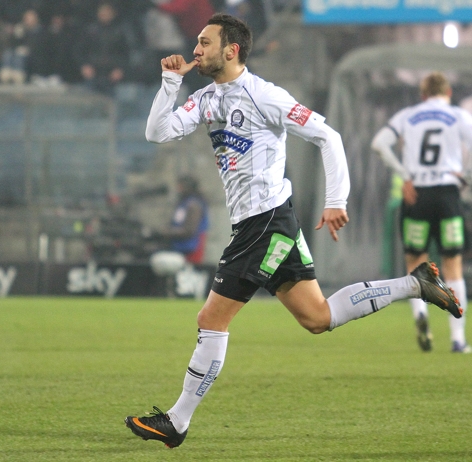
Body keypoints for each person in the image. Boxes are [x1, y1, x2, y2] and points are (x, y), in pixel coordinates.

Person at [124, 14, 462, 448]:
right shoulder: (207, 98)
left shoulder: (266, 96)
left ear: (232, 50)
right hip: (263, 222)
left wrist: (336, 200)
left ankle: (177, 422)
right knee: (317, 318)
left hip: (263, 222)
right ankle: (415, 284)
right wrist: (170, 83)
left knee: (212, 318)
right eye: (197, 42)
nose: (195, 49)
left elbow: (329, 136)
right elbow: (157, 132)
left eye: (205, 43)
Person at [371, 72, 472, 354]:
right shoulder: (459, 116)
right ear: (448, 92)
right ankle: (458, 339)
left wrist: (404, 175)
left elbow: (379, 143)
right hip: (448, 195)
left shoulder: (408, 115)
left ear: (423, 95)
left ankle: (421, 316)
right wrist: (465, 175)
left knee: (417, 264)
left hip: (417, 193)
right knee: (452, 266)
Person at [160, 175, 209, 264]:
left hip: (191, 250)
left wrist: (166, 233)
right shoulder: (183, 203)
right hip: (178, 248)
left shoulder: (194, 205)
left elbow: (189, 230)